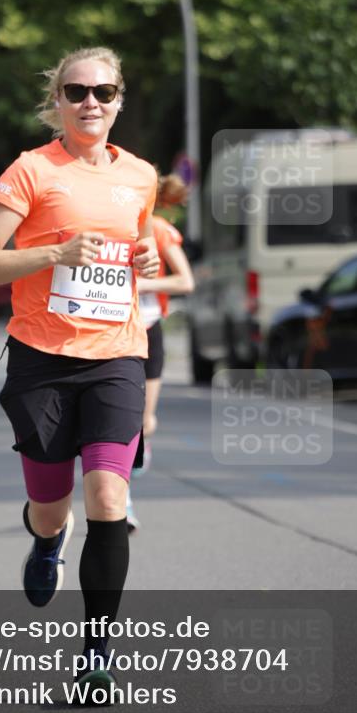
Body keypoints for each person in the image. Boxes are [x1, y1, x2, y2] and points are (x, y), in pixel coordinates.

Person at [0, 46, 160, 696]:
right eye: (77, 91)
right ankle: (47, 543)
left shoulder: (140, 176)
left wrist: (147, 261)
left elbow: (138, 249)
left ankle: (96, 654)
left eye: (103, 91)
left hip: (117, 355)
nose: (90, 102)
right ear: (58, 101)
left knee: (108, 498)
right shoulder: (31, 170)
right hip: (42, 359)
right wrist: (54, 253)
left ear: (119, 100)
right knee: (51, 509)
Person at [126, 173, 195, 531]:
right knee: (113, 422)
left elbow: (186, 281)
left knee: (143, 421)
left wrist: (140, 284)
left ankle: (143, 441)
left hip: (149, 327)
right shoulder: (103, 225)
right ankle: (122, 501)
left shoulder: (160, 230)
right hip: (111, 333)